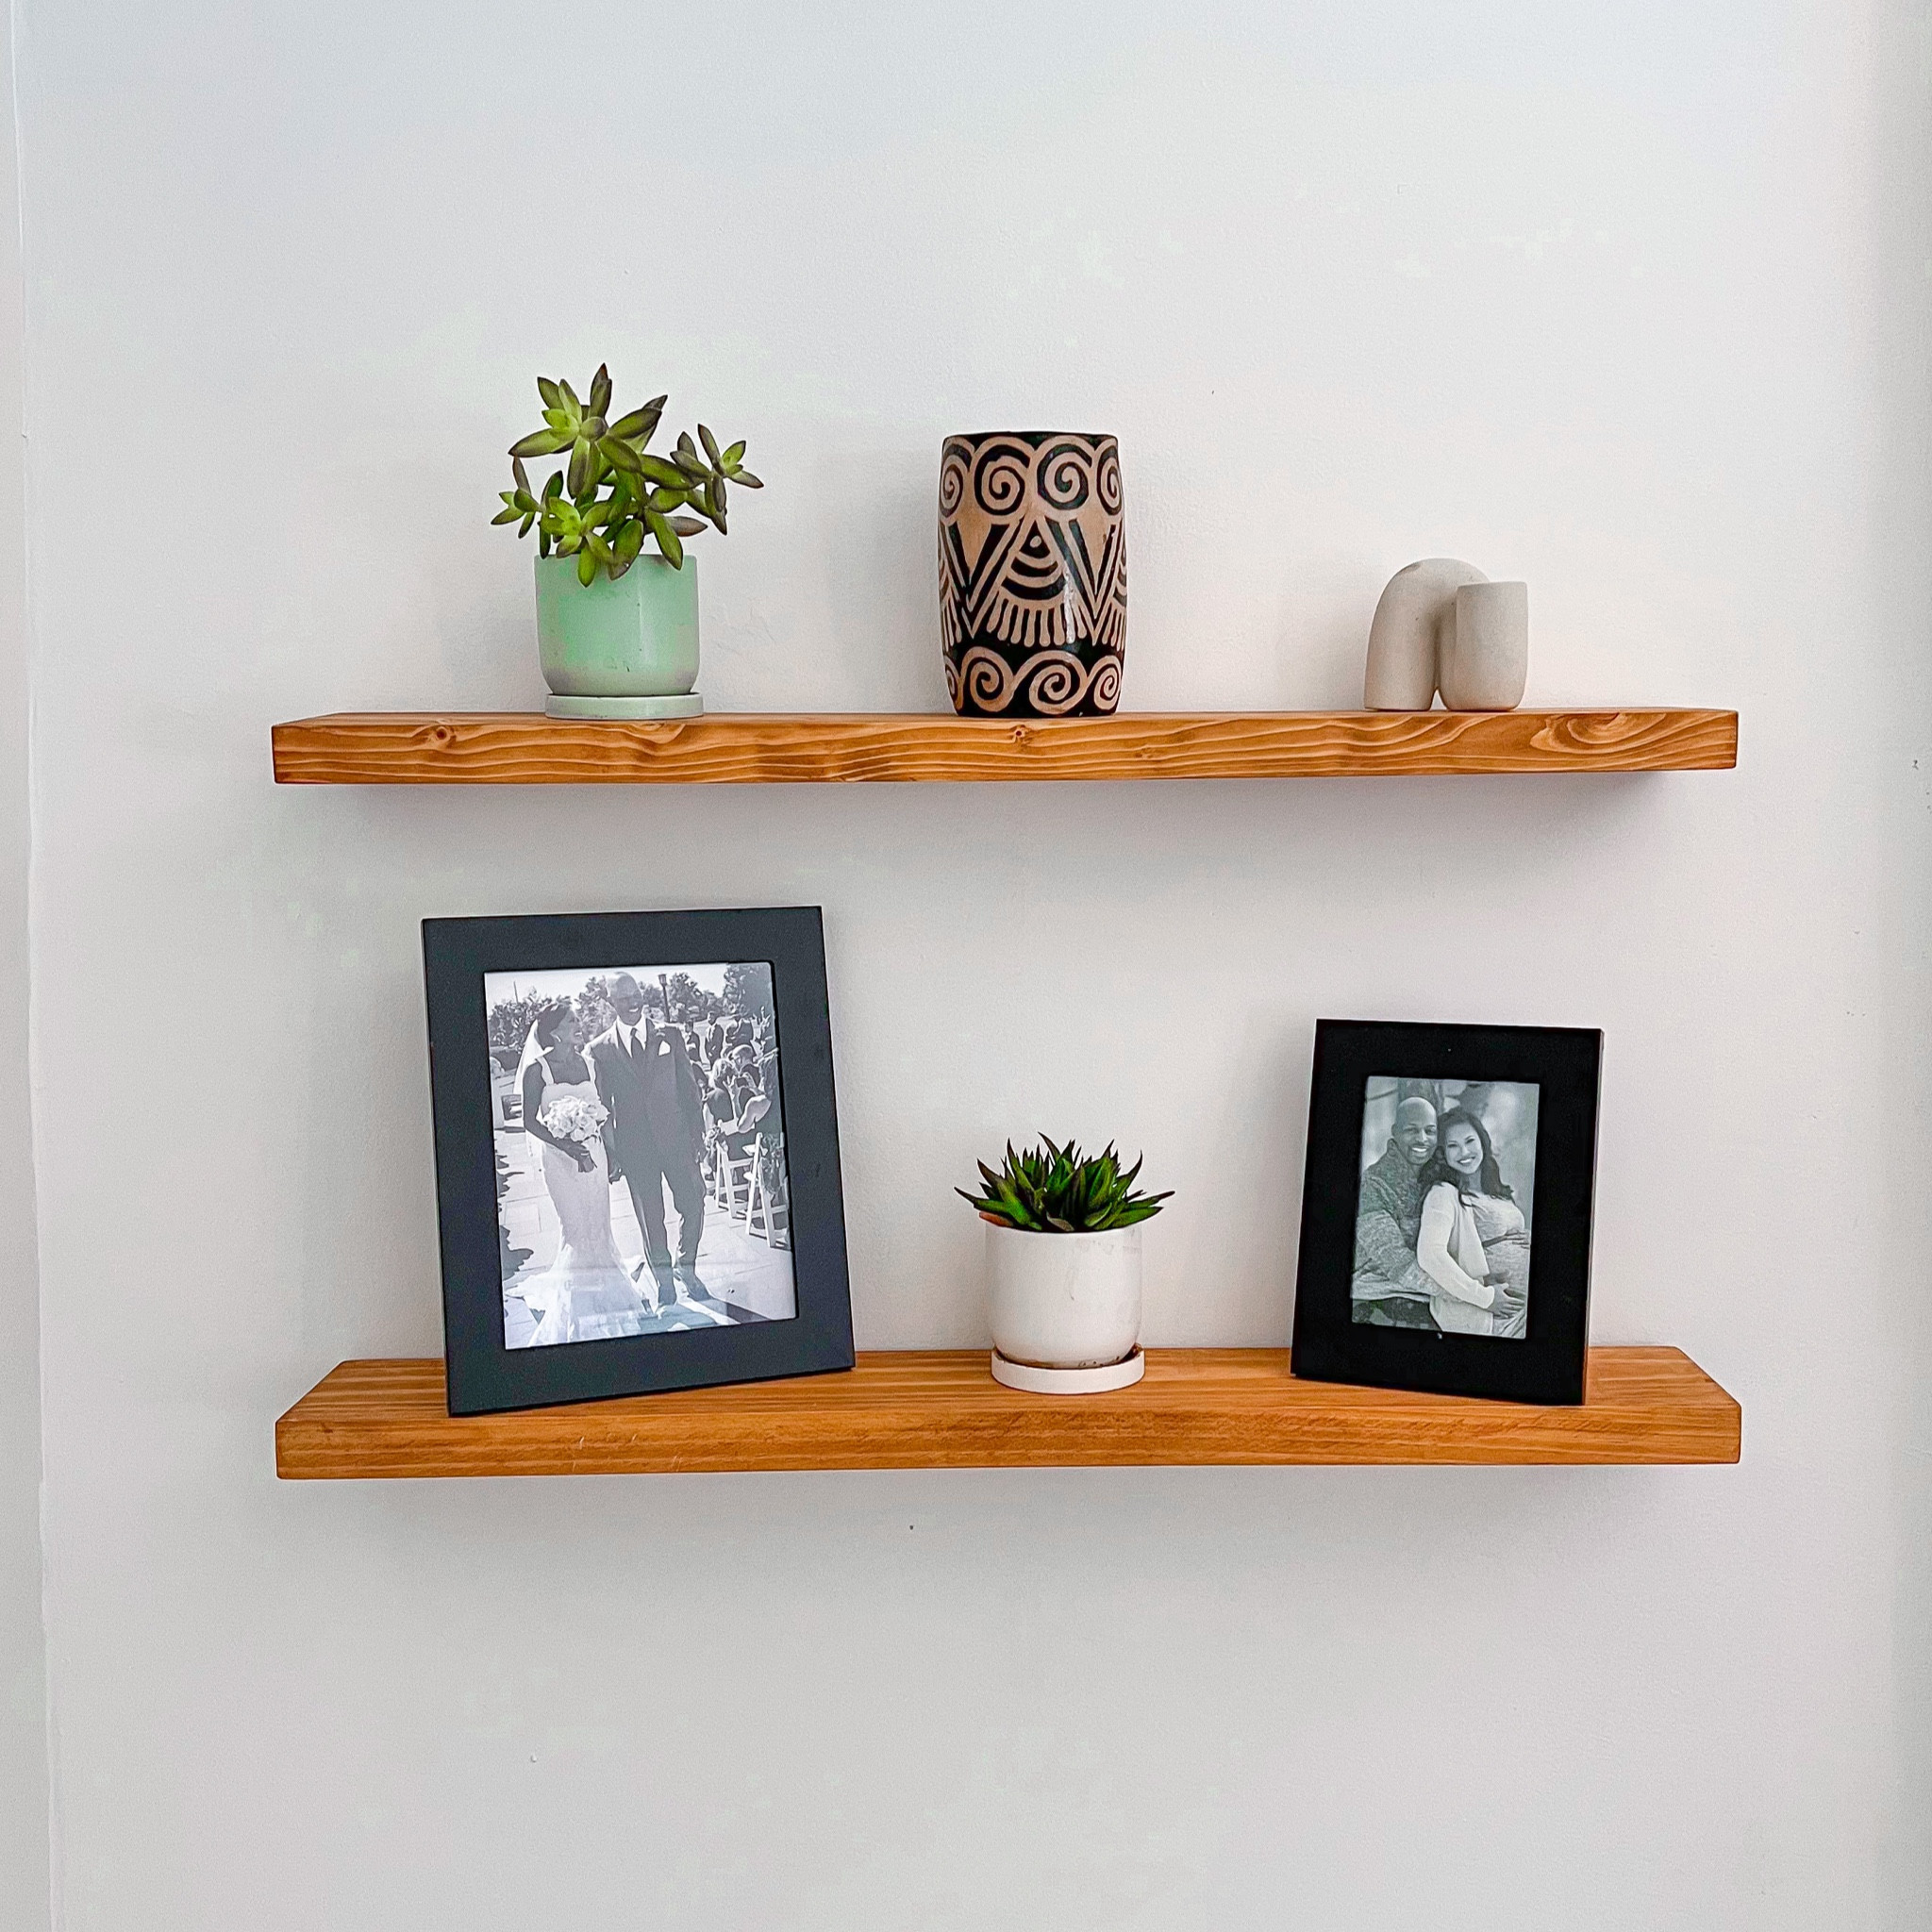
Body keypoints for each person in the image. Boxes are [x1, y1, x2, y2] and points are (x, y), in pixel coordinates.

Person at [514, 1004, 643, 1345]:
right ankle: (577, 1305)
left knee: (600, 1225)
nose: (578, 1024)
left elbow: (604, 1110)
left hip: (594, 1154)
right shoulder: (535, 1071)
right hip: (558, 1160)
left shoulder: (589, 1063)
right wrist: (565, 1143)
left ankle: (609, 1294)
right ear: (555, 1031)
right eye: (572, 1021)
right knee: (575, 1228)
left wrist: (612, 1154)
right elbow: (529, 1121)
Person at [588, 972, 713, 1311]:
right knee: (650, 1220)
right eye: (623, 998)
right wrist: (613, 1156)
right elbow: (603, 1108)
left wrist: (697, 1136)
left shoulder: (670, 1036)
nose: (632, 1003)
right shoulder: (601, 1050)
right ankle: (664, 1282)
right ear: (610, 1002)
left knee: (694, 1204)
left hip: (677, 1142)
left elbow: (689, 1088)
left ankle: (686, 1268)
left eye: (635, 995)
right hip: (636, 1151)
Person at [1415, 1108, 1530, 1339]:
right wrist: (1485, 1298)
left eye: (1469, 1141)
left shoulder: (1495, 1190)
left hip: (1521, 1311)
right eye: (1453, 1146)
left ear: (1482, 1142)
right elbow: (1430, 1255)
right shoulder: (1443, 1193)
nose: (1464, 1152)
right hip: (1490, 1318)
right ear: (1442, 1154)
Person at [1351, 1094, 1441, 1328]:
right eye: (1412, 1130)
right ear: (1395, 1132)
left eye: (1430, 1131)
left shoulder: (1437, 1175)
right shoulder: (1373, 1183)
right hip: (1378, 1300)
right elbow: (1397, 1263)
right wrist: (1469, 1293)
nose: (1422, 1139)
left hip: (1427, 1294)